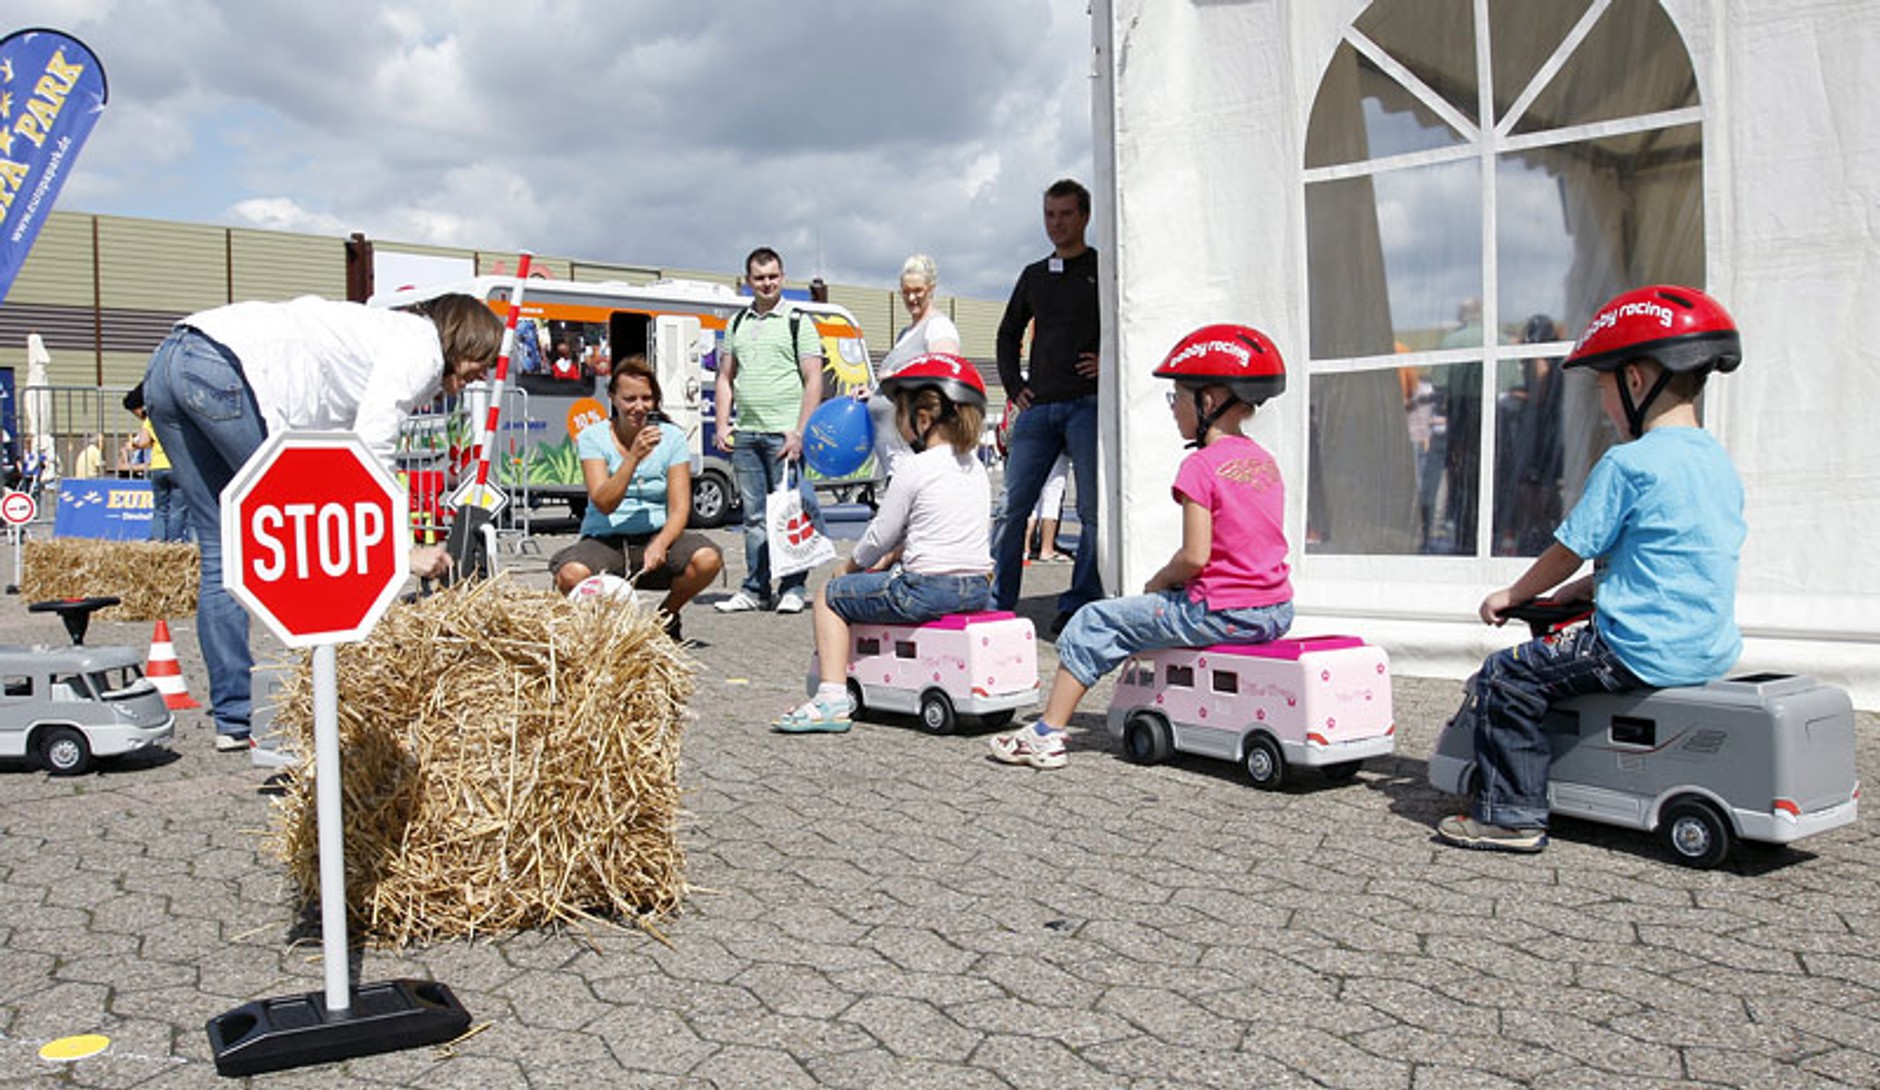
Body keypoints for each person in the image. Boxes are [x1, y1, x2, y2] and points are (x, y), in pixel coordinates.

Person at [1437, 285, 1746, 853]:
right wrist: (1584, 592)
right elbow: (1661, 557)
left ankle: (1510, 816)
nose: (1603, 404)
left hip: (1635, 647)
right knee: (1554, 654)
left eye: (1603, 385)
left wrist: (1514, 593)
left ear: (1635, 380)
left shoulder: (1629, 463)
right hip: (1707, 647)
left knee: (1508, 676)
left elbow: (1567, 549)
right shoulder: (1716, 462)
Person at [142, 293, 504, 752]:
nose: (483, 374)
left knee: (221, 550)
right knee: (303, 541)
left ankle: (233, 721)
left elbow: (342, 450)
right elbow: (375, 446)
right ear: (463, 338)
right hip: (228, 368)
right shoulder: (421, 346)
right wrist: (399, 551)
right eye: (482, 360)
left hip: (171, 360)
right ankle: (312, 708)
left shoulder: (376, 334)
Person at [990, 324, 1294, 770]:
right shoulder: (1266, 464)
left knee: (1095, 619)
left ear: (1208, 403)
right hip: (1273, 610)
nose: (1173, 410)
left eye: (1177, 399)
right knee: (1160, 610)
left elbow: (1195, 556)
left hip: (1220, 611)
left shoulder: (1200, 466)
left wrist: (1159, 581)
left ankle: (1047, 732)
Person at [773, 353, 992, 732]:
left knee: (831, 595)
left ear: (923, 420)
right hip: (975, 588)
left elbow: (879, 535)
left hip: (924, 589)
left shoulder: (914, 468)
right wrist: (894, 556)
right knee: (875, 582)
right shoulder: (975, 468)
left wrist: (849, 567)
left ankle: (831, 699)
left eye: (900, 415)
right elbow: (939, 533)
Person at [548, 356, 724, 642]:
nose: (639, 407)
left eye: (647, 398)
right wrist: (632, 457)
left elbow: (680, 508)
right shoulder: (593, 437)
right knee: (570, 574)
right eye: (630, 399)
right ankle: (605, 632)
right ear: (613, 398)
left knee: (708, 559)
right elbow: (604, 502)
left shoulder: (672, 438)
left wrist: (661, 543)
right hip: (605, 539)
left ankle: (665, 617)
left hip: (655, 537)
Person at [992, 178, 1102, 632]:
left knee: (1092, 512)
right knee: (1012, 508)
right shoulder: (1034, 275)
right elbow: (1006, 333)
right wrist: (1015, 386)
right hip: (1037, 410)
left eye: (1065, 214)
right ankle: (998, 602)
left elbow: (1130, 319)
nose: (1056, 224)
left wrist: (1109, 362)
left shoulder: (1104, 267)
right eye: (1049, 215)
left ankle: (1079, 604)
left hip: (1088, 405)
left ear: (1084, 216)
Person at [713, 247, 826, 615]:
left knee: (790, 512)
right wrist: (721, 423)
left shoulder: (798, 320)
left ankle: (793, 587)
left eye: (773, 276)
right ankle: (755, 588)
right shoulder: (737, 324)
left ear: (782, 277)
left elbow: (813, 380)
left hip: (784, 436)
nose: (767, 283)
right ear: (749, 281)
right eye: (760, 278)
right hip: (746, 434)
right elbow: (725, 377)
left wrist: (800, 431)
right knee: (754, 517)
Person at [867, 254, 962, 484]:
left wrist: (899, 380)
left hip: (916, 463)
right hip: (897, 465)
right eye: (905, 291)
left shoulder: (938, 327)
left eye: (918, 290)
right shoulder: (905, 333)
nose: (911, 297)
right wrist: (873, 394)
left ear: (931, 288)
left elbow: (945, 379)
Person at [122, 383, 187, 541]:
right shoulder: (180, 418)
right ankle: (174, 542)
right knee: (177, 509)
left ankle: (158, 542)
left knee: (160, 508)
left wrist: (133, 445)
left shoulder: (152, 417)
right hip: (177, 465)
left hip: (157, 465)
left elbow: (143, 442)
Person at [1024, 452, 1073, 563]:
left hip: (1032, 446)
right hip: (1058, 448)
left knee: (1034, 500)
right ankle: (1047, 549)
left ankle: (1025, 548)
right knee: (1052, 496)